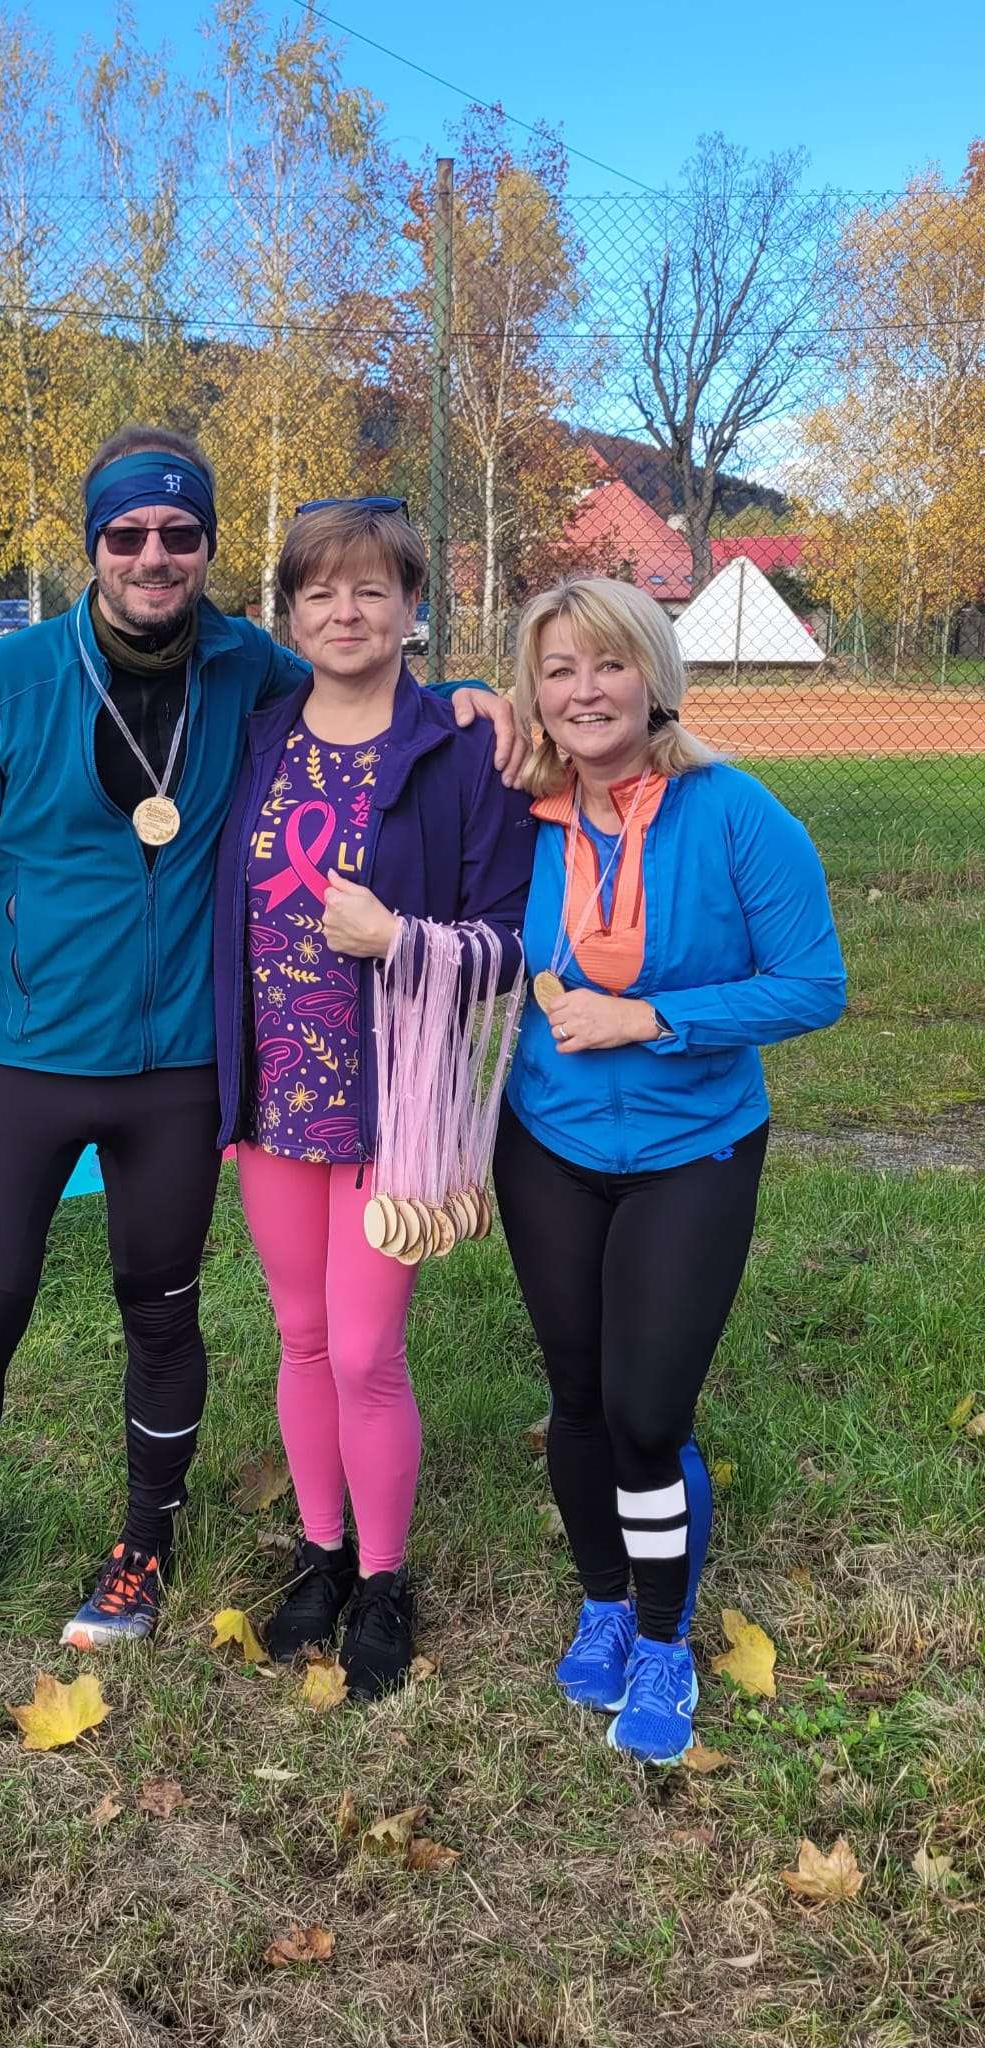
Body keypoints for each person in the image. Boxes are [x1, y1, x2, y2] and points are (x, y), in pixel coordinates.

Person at [0, 428, 520, 1661]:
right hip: (22, 1059)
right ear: (93, 545)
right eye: (127, 534)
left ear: (207, 545)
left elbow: (364, 669)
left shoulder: (247, 669)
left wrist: (471, 694)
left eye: (180, 533)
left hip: (181, 1072)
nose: (153, 556)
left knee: (162, 1313)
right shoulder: (0, 686)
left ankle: (143, 1547)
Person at [492, 575, 844, 1764]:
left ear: (656, 678)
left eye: (609, 663)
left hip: (694, 1147)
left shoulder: (735, 811)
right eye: (558, 670)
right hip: (547, 1145)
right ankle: (603, 1601)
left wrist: (652, 1019)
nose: (585, 690)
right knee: (577, 1398)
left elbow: (814, 984)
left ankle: (661, 1638)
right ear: (535, 694)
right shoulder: (521, 817)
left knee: (646, 1414)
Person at [211, 499, 535, 1697]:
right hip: (273, 1095)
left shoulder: (463, 752)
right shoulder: (254, 741)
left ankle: (386, 1576)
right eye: (319, 592)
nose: (344, 613)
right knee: (300, 1336)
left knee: (362, 1351)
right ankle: (323, 1552)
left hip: (393, 1104)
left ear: (412, 606)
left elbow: (513, 942)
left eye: (370, 589)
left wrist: (402, 938)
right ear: (289, 615)